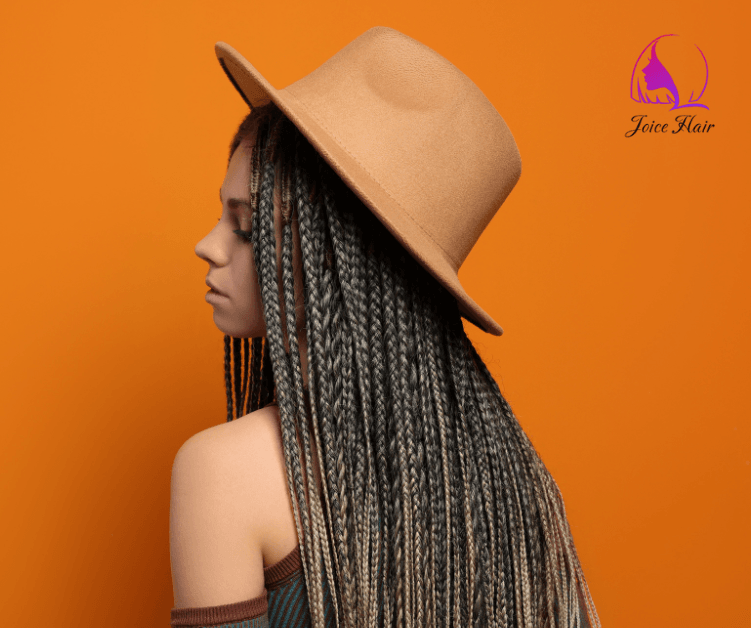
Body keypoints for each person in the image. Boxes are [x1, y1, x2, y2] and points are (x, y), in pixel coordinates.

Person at [169, 27, 599, 628]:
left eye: (244, 226)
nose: (208, 246)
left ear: (340, 257)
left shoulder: (221, 472)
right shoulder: (515, 483)